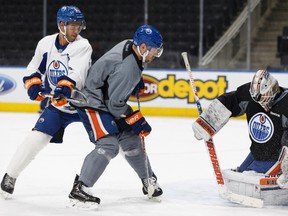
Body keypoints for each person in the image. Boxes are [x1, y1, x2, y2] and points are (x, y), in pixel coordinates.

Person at [67, 24, 164, 207]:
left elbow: (114, 73)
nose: (155, 55)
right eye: (154, 51)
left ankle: (147, 179)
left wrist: (135, 81)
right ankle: (80, 188)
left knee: (131, 139)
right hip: (93, 103)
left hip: (105, 99)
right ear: (142, 47)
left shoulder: (130, 45)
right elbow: (115, 105)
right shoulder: (129, 70)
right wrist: (135, 118)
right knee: (109, 144)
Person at [0, 5, 92, 196]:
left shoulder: (83, 45)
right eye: (72, 26)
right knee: (36, 138)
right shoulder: (45, 43)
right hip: (58, 106)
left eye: (78, 26)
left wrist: (63, 89)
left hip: (85, 104)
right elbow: (33, 67)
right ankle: (10, 176)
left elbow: (77, 74)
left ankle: (146, 178)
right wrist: (33, 84)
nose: (77, 30)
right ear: (61, 25)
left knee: (110, 139)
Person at [192, 70, 288, 176]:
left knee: (247, 181)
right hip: (257, 152)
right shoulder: (249, 95)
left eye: (263, 98)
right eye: (257, 99)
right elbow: (231, 100)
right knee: (240, 177)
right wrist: (208, 121)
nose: (261, 103)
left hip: (278, 157)